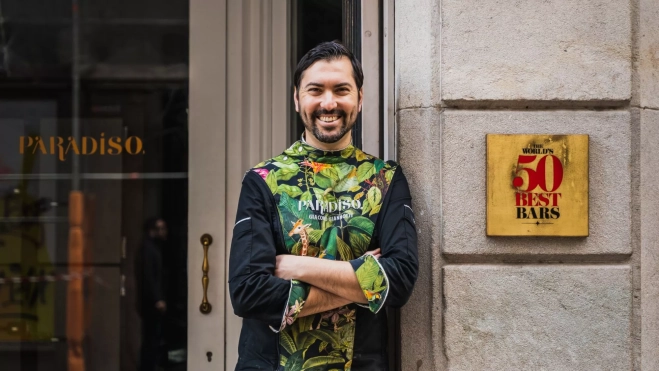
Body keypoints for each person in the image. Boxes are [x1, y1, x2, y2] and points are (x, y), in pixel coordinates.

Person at [228, 41, 419, 370]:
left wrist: (296, 267)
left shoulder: (385, 179)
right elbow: (248, 291)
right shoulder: (262, 180)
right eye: (315, 90)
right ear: (297, 98)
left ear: (359, 98)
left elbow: (399, 281)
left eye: (341, 90)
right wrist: (363, 283)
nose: (328, 103)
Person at [135, 217, 168, 371]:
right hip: (150, 302)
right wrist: (158, 299)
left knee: (153, 337)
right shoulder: (148, 249)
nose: (163, 231)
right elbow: (148, 277)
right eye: (160, 228)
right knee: (151, 338)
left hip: (150, 301)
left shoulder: (153, 247)